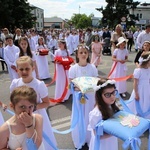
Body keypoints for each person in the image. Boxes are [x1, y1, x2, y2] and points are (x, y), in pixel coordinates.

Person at [10, 56, 57, 149]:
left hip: (37, 115)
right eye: (21, 69)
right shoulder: (15, 84)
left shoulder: (39, 85)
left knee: (40, 140)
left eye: (27, 69)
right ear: (17, 70)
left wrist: (32, 109)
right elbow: (13, 103)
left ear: (33, 68)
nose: (24, 72)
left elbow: (46, 103)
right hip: (21, 117)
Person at [68, 44, 99, 149]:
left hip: (90, 97)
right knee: (80, 117)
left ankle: (89, 138)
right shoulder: (73, 68)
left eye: (85, 52)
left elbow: (96, 83)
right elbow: (71, 85)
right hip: (79, 97)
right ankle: (80, 139)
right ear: (77, 54)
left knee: (89, 115)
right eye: (81, 52)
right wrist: (80, 88)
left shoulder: (92, 67)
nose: (83, 54)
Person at [0, 85, 45, 149]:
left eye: (30, 107)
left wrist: (29, 125)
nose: (26, 111)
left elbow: (37, 144)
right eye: (22, 107)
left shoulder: (37, 119)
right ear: (12, 106)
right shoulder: (5, 129)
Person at [88, 79, 119, 150]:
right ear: (100, 96)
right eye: (107, 94)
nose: (112, 97)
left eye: (113, 92)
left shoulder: (111, 105)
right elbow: (97, 135)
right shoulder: (96, 114)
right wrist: (116, 132)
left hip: (111, 141)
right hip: (102, 145)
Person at [128, 51, 150, 119]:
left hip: (147, 88)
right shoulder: (138, 70)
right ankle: (137, 114)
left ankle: (145, 114)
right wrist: (136, 93)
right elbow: (135, 83)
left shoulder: (149, 69)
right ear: (147, 61)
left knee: (146, 100)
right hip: (139, 89)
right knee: (139, 101)